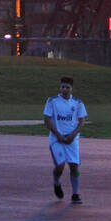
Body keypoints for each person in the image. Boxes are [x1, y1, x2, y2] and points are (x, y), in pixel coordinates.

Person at [43, 76, 87, 204]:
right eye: (62, 87)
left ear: (72, 89)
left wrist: (73, 135)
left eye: (67, 87)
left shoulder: (78, 103)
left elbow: (82, 121)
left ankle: (75, 193)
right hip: (57, 139)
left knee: (74, 166)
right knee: (60, 166)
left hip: (71, 140)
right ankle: (56, 182)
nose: (64, 89)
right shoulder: (52, 101)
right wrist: (58, 134)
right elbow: (46, 119)